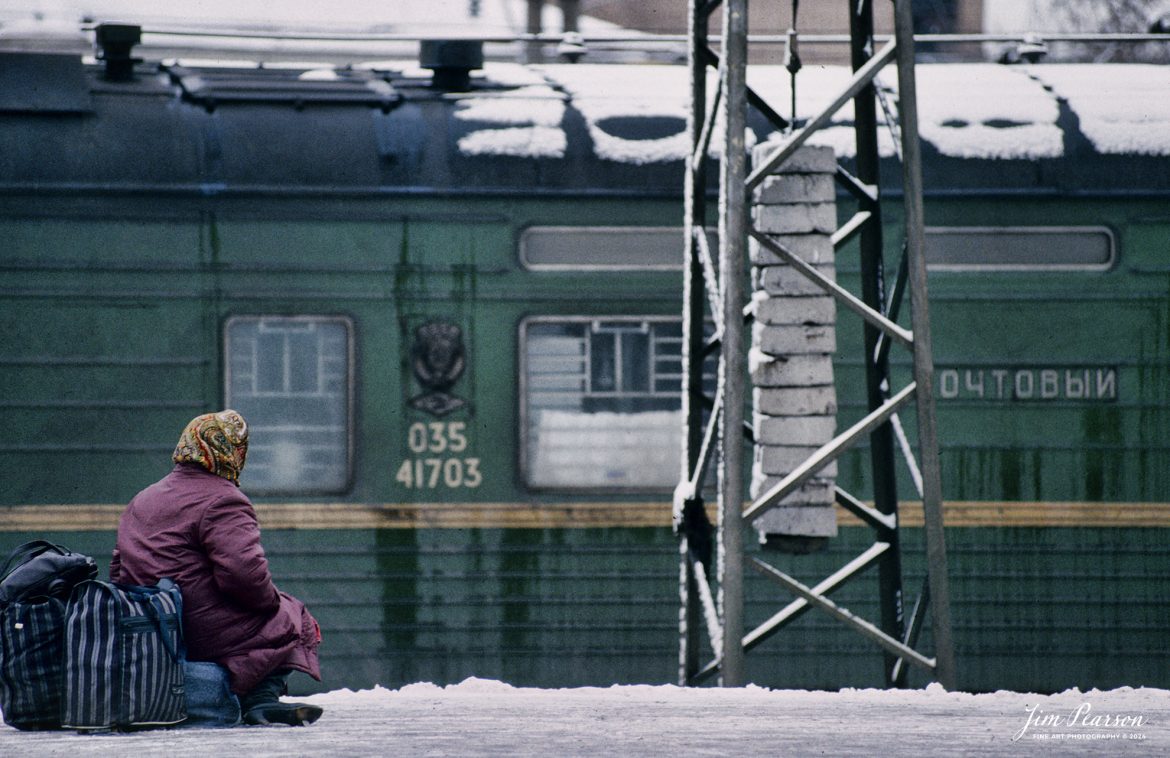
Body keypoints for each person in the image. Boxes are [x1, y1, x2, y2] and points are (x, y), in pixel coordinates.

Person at [110, 410, 324, 726]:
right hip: (198, 627)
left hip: (153, 624)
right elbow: (245, 577)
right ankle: (261, 699)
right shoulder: (225, 499)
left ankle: (247, 697)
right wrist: (270, 604)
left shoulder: (144, 498)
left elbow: (118, 568)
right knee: (293, 615)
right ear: (232, 451)